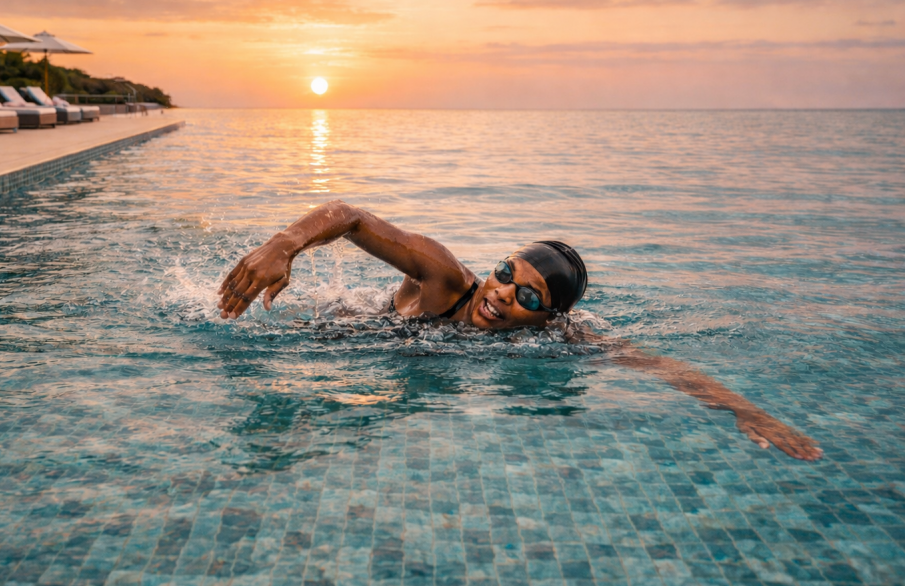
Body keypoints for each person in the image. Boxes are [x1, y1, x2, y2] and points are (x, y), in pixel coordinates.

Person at [218, 200, 822, 461]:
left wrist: (747, 412)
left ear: (550, 317)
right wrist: (284, 245)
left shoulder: (562, 339)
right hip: (343, 334)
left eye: (527, 294)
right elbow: (350, 216)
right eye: (507, 272)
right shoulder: (444, 278)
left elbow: (659, 366)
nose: (503, 291)